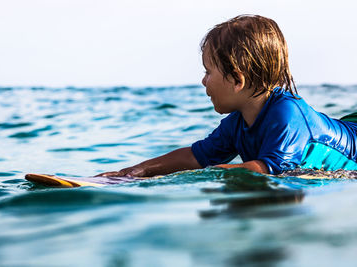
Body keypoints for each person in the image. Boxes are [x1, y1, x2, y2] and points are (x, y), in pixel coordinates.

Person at [98, 15, 357, 177]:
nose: (203, 81)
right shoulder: (237, 122)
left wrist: (206, 176)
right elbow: (195, 156)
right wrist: (134, 171)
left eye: (208, 72)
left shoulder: (287, 115)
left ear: (237, 80)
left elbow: (272, 170)